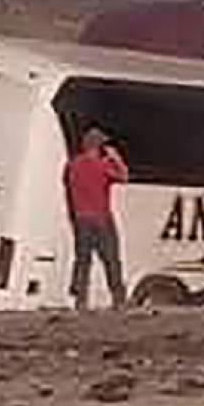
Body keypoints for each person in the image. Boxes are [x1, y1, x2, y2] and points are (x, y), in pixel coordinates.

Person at [64, 127, 129, 311]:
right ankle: (118, 299)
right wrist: (115, 158)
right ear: (98, 146)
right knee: (111, 259)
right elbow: (124, 176)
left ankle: (80, 300)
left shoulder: (72, 165)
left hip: (80, 219)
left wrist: (73, 218)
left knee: (82, 260)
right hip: (101, 218)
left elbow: (68, 192)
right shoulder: (101, 166)